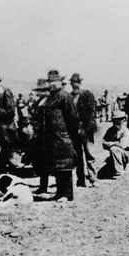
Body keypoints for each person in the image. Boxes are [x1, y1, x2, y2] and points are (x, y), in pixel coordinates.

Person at [36, 70, 79, 201]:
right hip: (52, 138)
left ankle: (67, 194)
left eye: (55, 81)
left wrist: (68, 135)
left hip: (63, 137)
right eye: (50, 82)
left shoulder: (65, 96)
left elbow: (73, 119)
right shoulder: (50, 97)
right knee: (57, 166)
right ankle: (59, 192)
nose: (52, 84)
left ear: (60, 82)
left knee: (65, 167)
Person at [69, 73, 98, 187]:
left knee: (89, 155)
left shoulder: (87, 95)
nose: (75, 85)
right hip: (74, 131)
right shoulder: (69, 96)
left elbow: (92, 113)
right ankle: (80, 180)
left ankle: (93, 178)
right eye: (73, 83)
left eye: (77, 83)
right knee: (77, 157)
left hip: (86, 130)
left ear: (80, 83)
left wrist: (85, 128)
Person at [97, 110, 129, 179]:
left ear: (123, 120)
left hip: (125, 154)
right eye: (115, 120)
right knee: (100, 174)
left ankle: (120, 172)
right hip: (114, 156)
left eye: (120, 119)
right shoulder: (110, 130)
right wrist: (116, 143)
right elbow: (104, 144)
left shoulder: (125, 130)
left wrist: (111, 144)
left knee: (114, 149)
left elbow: (123, 145)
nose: (118, 121)